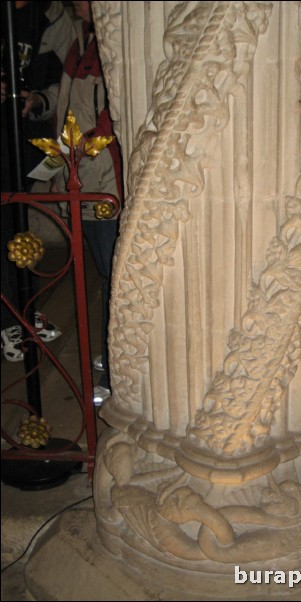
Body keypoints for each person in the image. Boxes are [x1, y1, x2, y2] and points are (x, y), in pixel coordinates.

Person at [34, 0, 123, 405]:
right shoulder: (82, 42)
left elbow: (117, 109)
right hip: (80, 178)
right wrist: (41, 103)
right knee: (106, 272)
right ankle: (114, 359)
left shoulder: (114, 40)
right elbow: (70, 100)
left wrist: (84, 146)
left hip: (103, 181)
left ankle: (121, 369)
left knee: (115, 273)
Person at [1, 1, 75, 361]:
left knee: (15, 228)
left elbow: (67, 80)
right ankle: (11, 320)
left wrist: (38, 100)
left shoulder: (52, 14)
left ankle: (19, 313)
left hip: (23, 140)